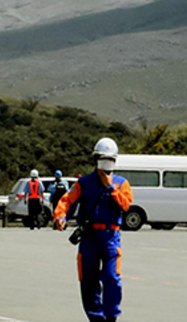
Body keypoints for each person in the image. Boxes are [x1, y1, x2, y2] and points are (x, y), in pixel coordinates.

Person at [54, 138, 134, 322]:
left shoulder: (122, 183)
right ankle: (96, 318)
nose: (106, 163)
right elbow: (66, 200)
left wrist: (110, 187)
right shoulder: (84, 183)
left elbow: (126, 205)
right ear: (95, 159)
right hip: (89, 237)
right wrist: (60, 216)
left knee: (111, 277)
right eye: (102, 159)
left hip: (110, 237)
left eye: (110, 160)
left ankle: (111, 315)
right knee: (88, 280)